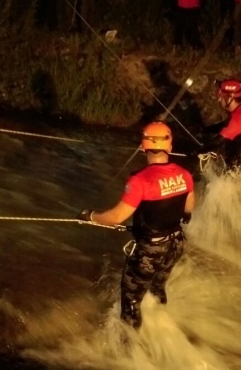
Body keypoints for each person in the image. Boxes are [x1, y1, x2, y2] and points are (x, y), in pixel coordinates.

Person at [77, 122, 195, 329]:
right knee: (158, 287)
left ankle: (129, 354)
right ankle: (162, 325)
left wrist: (91, 216)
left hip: (151, 250)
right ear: (170, 147)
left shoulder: (140, 180)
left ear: (143, 147)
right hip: (176, 244)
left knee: (131, 302)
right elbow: (188, 208)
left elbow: (116, 217)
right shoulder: (184, 174)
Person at [200, 79, 241, 174]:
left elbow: (216, 143)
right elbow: (226, 125)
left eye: (221, 97)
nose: (219, 100)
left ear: (229, 98)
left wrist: (196, 152)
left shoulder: (237, 120)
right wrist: (206, 130)